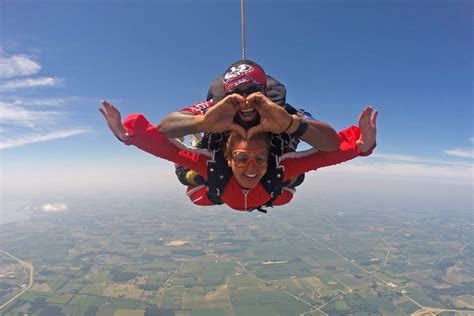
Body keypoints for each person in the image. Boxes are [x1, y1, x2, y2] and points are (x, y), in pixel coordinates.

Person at [99, 100, 378, 212]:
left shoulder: (277, 169)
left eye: (259, 157)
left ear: (270, 157)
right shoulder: (211, 167)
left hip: (266, 194)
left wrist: (361, 145)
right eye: (243, 158)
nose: (252, 166)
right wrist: (129, 135)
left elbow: (323, 157)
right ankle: (201, 137)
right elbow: (167, 148)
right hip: (217, 192)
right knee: (191, 182)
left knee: (289, 189)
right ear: (229, 159)